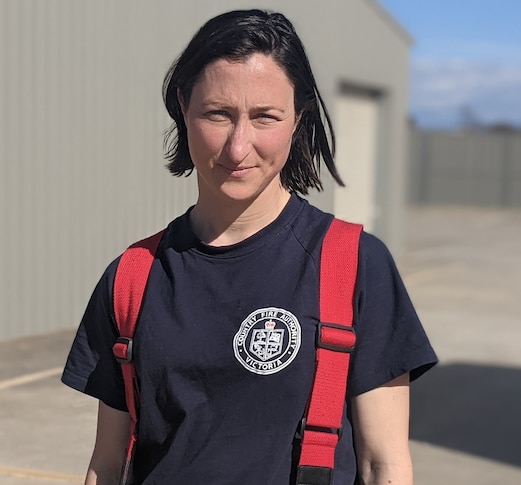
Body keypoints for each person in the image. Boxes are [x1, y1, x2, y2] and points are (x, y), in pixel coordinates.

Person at [62, 9, 437, 485]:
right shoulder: (132, 277)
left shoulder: (354, 265)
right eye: (218, 114)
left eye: (265, 117)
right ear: (183, 107)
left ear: (298, 118)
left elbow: (384, 464)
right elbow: (108, 464)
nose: (240, 147)